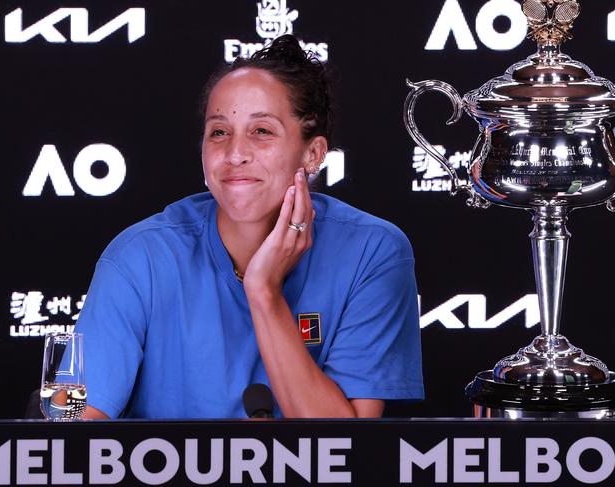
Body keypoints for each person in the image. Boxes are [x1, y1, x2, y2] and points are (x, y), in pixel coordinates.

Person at [75, 34, 424, 419]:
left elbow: (344, 450)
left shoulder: (372, 252)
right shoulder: (140, 255)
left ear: (313, 153)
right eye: (219, 132)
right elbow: (71, 444)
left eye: (261, 131)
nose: (235, 154)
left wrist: (263, 292)